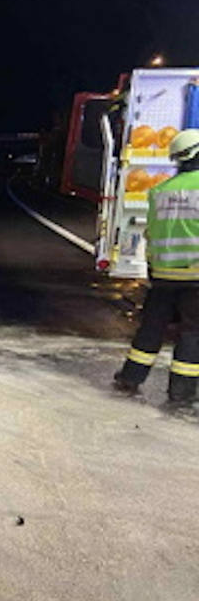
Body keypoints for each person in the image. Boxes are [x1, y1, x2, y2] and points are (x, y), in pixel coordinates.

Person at [114, 129, 199, 405]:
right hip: (196, 276)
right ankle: (181, 393)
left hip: (163, 275)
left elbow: (150, 233)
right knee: (192, 332)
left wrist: (152, 268)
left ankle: (130, 378)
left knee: (151, 327)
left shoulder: (159, 191)